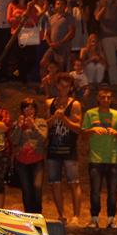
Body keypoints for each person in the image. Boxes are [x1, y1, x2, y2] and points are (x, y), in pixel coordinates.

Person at [81, 88, 117, 228]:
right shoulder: (90, 113)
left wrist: (116, 133)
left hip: (112, 158)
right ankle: (94, 219)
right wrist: (91, 130)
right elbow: (83, 134)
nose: (106, 100)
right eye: (103, 97)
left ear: (111, 100)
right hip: (96, 159)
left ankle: (111, 219)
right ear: (98, 99)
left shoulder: (116, 114)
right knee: (95, 190)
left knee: (113, 191)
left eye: (108, 97)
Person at [46, 73, 83, 224]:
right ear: (56, 86)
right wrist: (54, 117)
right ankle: (61, 215)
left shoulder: (74, 104)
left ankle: (76, 216)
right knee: (55, 183)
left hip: (69, 150)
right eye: (60, 85)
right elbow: (44, 125)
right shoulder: (50, 103)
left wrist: (64, 119)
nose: (63, 89)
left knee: (74, 182)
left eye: (66, 86)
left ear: (71, 88)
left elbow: (78, 128)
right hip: (53, 149)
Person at [10, 97, 48, 214]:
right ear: (22, 110)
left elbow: (43, 139)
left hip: (37, 160)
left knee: (37, 188)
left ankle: (38, 215)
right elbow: (14, 140)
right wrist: (19, 127)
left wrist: (33, 126)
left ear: (35, 110)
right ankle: (28, 215)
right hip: (21, 161)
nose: (29, 111)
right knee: (26, 190)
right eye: (26, 108)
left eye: (32, 108)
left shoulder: (41, 122)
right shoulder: (18, 123)